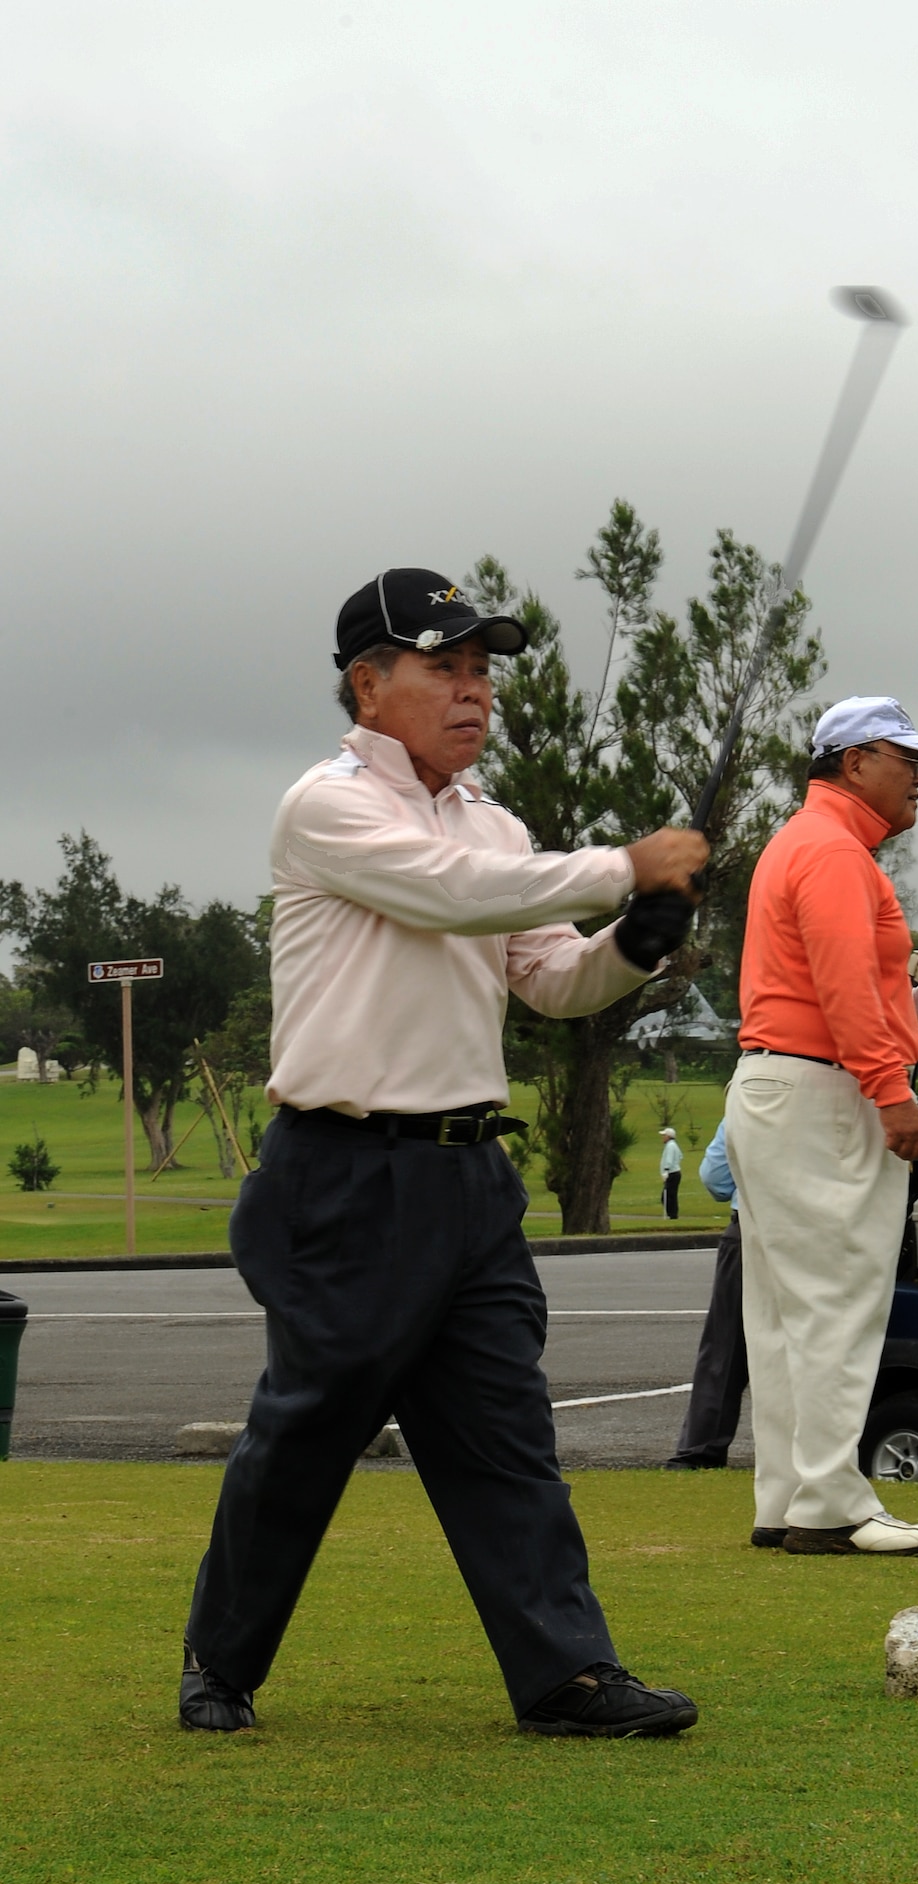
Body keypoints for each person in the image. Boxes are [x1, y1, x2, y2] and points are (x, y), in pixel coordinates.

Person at [180, 567, 709, 1739]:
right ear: (368, 685)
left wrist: (634, 941)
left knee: (505, 1430)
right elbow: (450, 894)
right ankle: (221, 1656)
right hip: (342, 1171)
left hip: (470, 1173)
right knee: (309, 1429)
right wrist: (623, 865)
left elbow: (551, 979)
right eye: (445, 667)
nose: (474, 691)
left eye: (482, 671)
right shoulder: (326, 807)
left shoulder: (495, 825)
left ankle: (565, 1672)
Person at [724, 695, 918, 1557]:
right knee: (837, 1301)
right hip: (822, 1093)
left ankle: (790, 1496)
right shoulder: (834, 851)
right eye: (909, 761)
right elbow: (839, 987)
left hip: (783, 1085)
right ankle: (829, 1502)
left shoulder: (808, 841)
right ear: (855, 761)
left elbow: (838, 984)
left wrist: (911, 1008)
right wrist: (893, 1092)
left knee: (785, 1311)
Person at [666, 1119, 748, 1470]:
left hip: (751, 1229)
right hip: (819, 1234)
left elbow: (716, 1179)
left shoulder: (746, 1103)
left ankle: (701, 1449)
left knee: (725, 1348)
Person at [658, 1126, 684, 1219]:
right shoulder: (673, 1145)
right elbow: (680, 1156)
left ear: (668, 1136)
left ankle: (672, 1214)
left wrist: (666, 1171)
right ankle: (673, 1214)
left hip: (672, 1173)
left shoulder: (670, 1146)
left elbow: (669, 1160)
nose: (663, 1137)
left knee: (666, 1196)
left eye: (664, 1135)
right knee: (672, 1195)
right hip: (674, 1172)